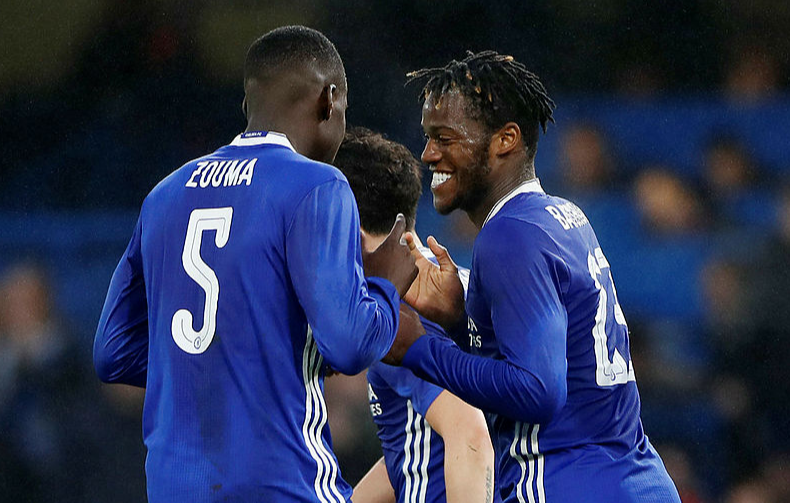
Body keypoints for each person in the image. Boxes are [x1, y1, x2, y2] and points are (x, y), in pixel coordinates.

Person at [94, 26, 417, 502]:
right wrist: (386, 287)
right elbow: (350, 346)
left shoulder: (164, 195)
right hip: (283, 486)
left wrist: (236, 364)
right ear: (329, 100)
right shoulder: (319, 185)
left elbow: (113, 352)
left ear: (248, 105)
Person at [386, 51, 681, 502]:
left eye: (444, 138)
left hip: (565, 481)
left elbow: (538, 392)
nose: (428, 154)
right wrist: (461, 322)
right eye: (428, 138)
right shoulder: (562, 215)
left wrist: (419, 349)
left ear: (506, 139)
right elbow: (549, 364)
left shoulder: (509, 234)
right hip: (634, 478)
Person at [331, 128, 496, 503]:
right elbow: (414, 451)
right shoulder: (456, 288)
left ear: (348, 233)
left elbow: (469, 436)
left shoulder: (399, 315)